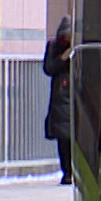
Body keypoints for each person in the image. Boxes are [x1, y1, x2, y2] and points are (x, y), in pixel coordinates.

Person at [45, 17, 74, 185]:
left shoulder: (78, 49)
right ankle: (67, 172)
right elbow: (49, 68)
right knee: (63, 139)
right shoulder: (53, 48)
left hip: (72, 98)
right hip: (60, 100)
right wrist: (63, 57)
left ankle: (73, 171)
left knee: (73, 140)